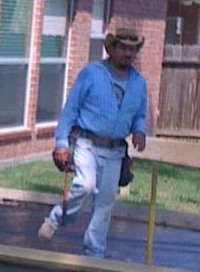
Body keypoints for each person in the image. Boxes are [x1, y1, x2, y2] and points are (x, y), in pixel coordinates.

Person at [38, 28, 148, 257]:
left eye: (132, 49)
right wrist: (61, 142)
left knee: (105, 202)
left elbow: (139, 115)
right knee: (85, 185)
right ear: (112, 49)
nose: (128, 53)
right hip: (86, 143)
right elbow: (70, 109)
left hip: (115, 149)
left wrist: (139, 130)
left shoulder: (139, 83)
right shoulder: (92, 73)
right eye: (123, 48)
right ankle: (58, 217)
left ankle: (93, 253)